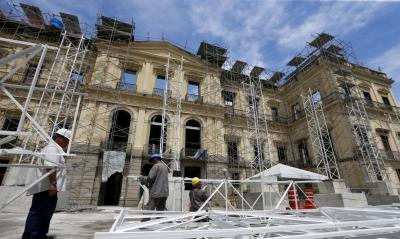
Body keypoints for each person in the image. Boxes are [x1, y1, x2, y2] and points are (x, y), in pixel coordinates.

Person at [22, 128, 72, 239]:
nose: (67, 144)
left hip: (48, 188)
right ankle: (31, 236)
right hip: (46, 189)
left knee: (45, 214)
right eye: (67, 141)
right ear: (60, 140)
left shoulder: (55, 149)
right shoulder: (52, 149)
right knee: (38, 213)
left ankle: (40, 235)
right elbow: (50, 166)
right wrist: (53, 184)